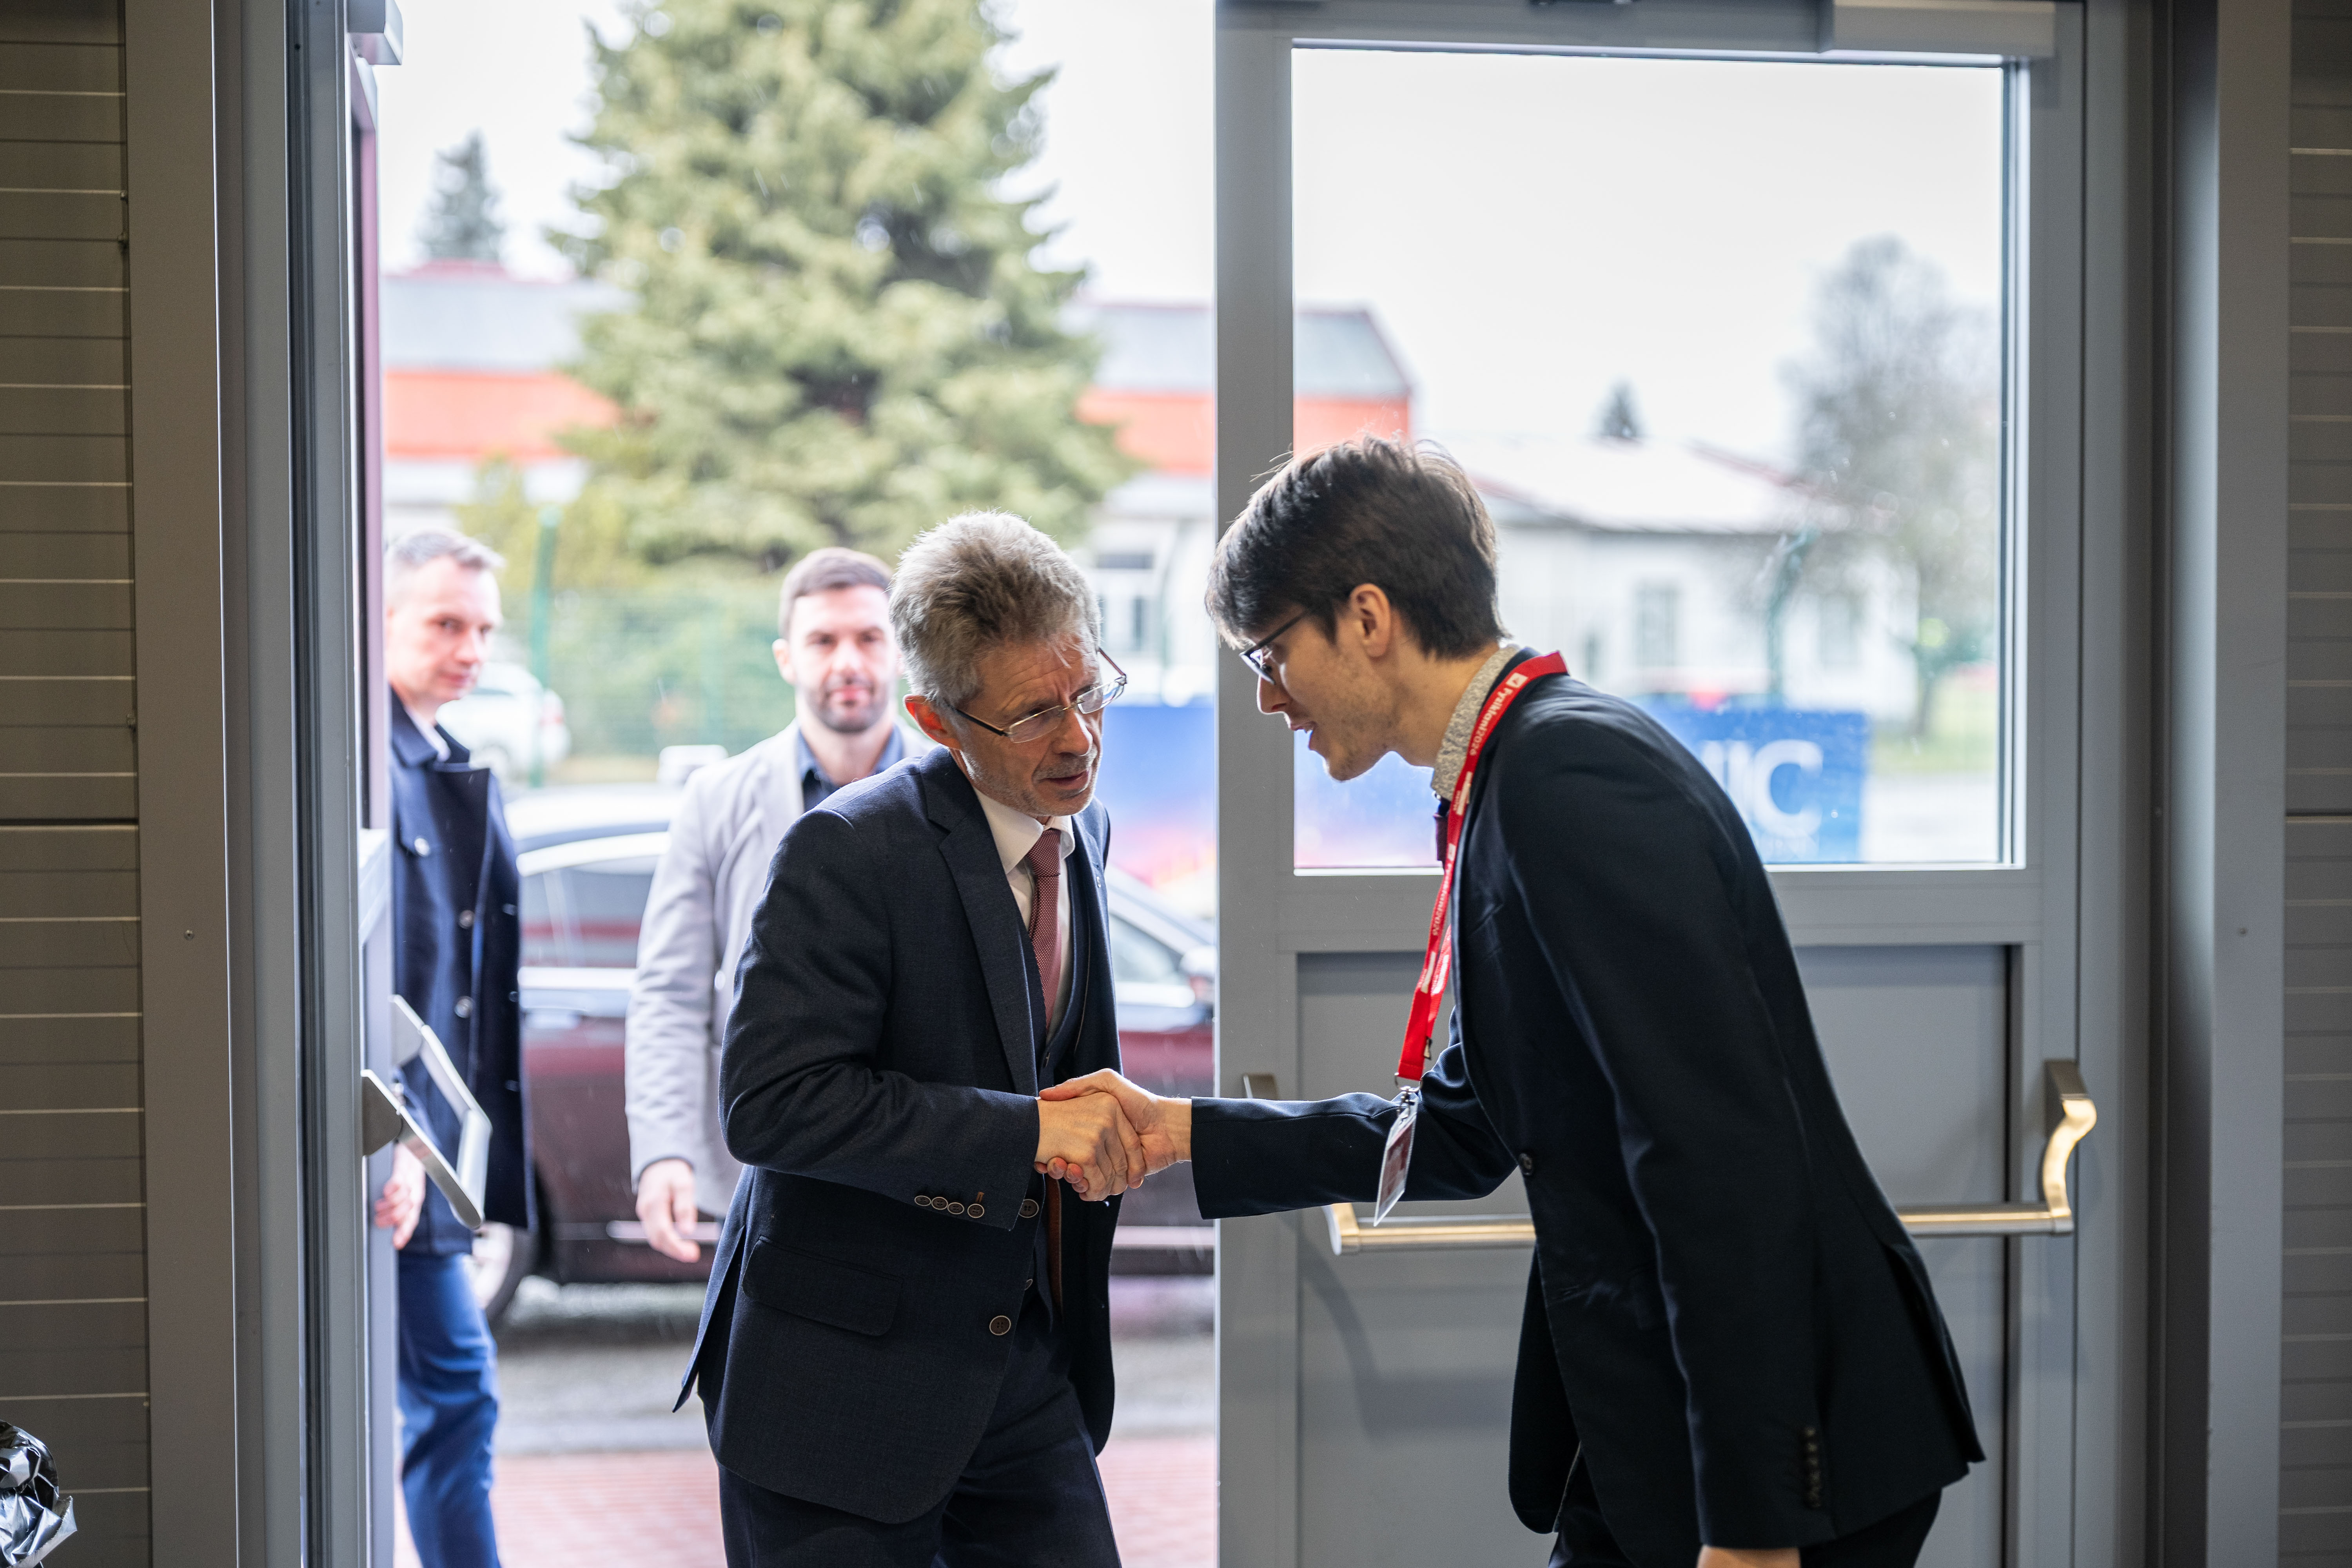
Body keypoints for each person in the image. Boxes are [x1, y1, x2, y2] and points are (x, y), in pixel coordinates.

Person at [1047, 438, 1984, 1568]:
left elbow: (1716, 1152)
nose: (1266, 694)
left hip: (1781, 1457)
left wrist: (1752, 1528)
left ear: (1368, 617)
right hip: (1657, 1429)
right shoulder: (1511, 774)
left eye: (1272, 650)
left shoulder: (1569, 777)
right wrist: (1183, 1131)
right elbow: (1465, 1129)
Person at [679, 512, 1145, 1567]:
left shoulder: (1086, 826)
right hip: (837, 1388)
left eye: (1089, 693)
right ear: (936, 722)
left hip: (1019, 1364)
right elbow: (772, 1103)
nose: (1078, 739)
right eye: (1033, 714)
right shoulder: (846, 850)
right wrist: (1027, 1134)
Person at [626, 546, 934, 1262]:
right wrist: (664, 1148)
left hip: (920, 1168)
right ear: (786, 658)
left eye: (869, 638)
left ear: (901, 652)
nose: (848, 662)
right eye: (823, 640)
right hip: (761, 1175)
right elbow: (669, 993)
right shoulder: (715, 800)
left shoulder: (958, 790)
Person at [373, 528, 530, 1568]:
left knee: (444, 1396)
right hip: (400, 1155)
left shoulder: (441, 759)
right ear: (380, 619)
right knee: (456, 1393)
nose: (471, 648)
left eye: (483, 628)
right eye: (444, 623)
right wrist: (394, 1138)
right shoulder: (362, 766)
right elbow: (360, 979)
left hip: (427, 1152)